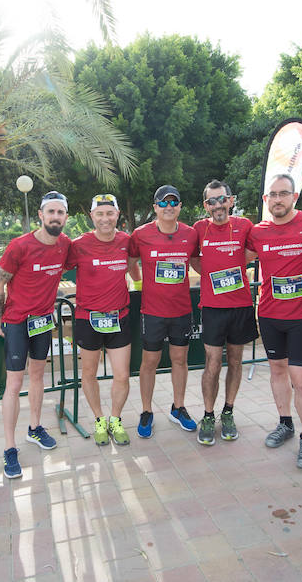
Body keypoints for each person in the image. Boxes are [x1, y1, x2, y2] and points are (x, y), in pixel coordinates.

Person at [246, 173, 302, 469]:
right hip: (269, 314)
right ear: (266, 199)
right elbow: (231, 256)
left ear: (295, 197)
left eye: (284, 194)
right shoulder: (258, 231)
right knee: (277, 371)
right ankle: (285, 423)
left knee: (301, 380)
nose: (278, 199)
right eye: (273, 195)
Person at [0, 191, 71, 478]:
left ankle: (35, 428)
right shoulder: (20, 246)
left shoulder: (64, 245)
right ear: (40, 214)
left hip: (43, 323)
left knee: (38, 375)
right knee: (14, 383)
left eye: (60, 213)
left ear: (65, 217)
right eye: (50, 212)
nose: (55, 217)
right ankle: (9, 449)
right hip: (16, 322)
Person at [66, 194, 140, 446]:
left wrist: (139, 284)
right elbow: (55, 265)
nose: (105, 218)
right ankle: (99, 420)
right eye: (100, 214)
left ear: (117, 215)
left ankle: (115, 419)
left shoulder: (126, 241)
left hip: (119, 316)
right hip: (88, 318)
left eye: (110, 213)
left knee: (121, 375)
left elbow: (132, 265)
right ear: (92, 216)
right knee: (89, 373)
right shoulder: (79, 245)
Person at [129, 185, 199, 438]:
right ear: (155, 207)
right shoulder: (140, 234)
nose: (169, 207)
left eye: (174, 202)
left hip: (181, 310)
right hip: (153, 311)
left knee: (180, 360)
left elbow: (198, 261)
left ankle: (178, 407)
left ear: (180, 206)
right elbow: (130, 262)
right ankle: (147, 411)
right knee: (149, 362)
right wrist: (138, 283)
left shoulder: (191, 234)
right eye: (164, 203)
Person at [190, 180, 258, 445]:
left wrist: (233, 266)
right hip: (212, 308)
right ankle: (208, 415)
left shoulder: (245, 226)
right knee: (213, 363)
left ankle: (228, 412)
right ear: (205, 205)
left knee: (237, 361)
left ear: (230, 200)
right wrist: (210, 273)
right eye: (211, 201)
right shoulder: (198, 228)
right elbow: (194, 258)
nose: (217, 205)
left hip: (240, 305)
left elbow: (251, 252)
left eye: (221, 199)